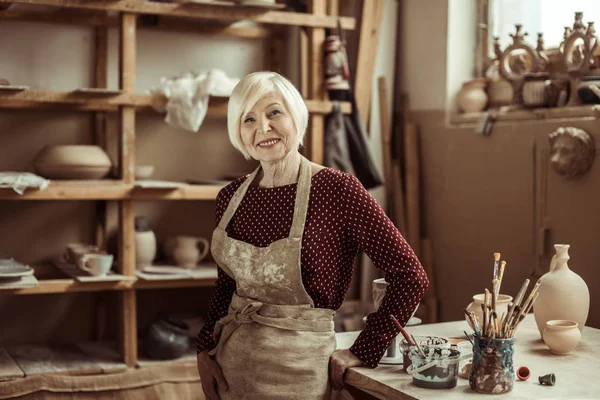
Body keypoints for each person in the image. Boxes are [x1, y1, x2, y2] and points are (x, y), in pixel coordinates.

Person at [196, 71, 429, 400]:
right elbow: (226, 286)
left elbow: (410, 276)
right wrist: (204, 352)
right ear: (238, 131)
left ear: (295, 116)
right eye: (249, 119)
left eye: (274, 112)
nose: (263, 128)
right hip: (231, 369)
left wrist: (365, 347)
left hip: (301, 374)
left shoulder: (336, 189)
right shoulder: (230, 198)